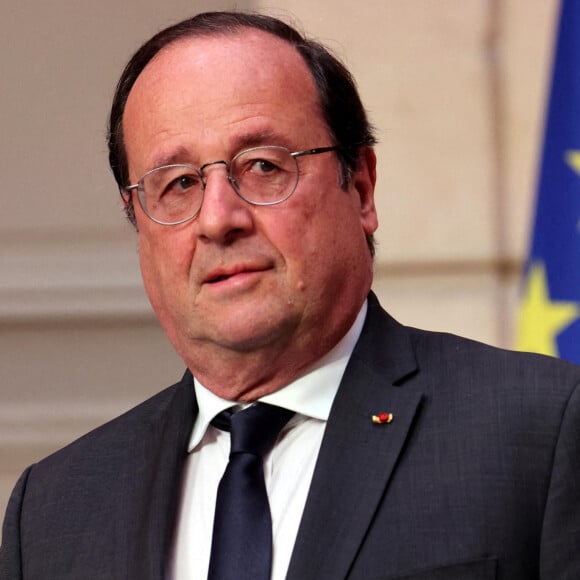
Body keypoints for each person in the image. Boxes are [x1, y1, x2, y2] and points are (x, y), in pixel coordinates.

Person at [1, 10, 579, 580]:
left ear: (360, 187)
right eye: (178, 184)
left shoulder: (540, 433)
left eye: (261, 166)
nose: (218, 219)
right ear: (138, 224)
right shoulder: (52, 512)